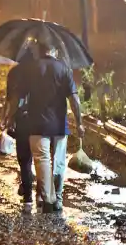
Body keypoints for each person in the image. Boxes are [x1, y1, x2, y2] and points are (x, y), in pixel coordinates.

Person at [15, 40, 83, 213]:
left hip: (37, 124)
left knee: (42, 161)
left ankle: (48, 199)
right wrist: (79, 123)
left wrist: (12, 117)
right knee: (59, 162)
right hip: (60, 124)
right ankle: (58, 198)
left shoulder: (31, 69)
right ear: (55, 50)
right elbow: (74, 100)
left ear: (39, 49)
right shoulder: (64, 68)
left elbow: (20, 98)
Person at [2, 47, 36, 208]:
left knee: (24, 158)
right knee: (41, 157)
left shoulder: (14, 73)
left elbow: (10, 99)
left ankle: (28, 194)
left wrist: (6, 118)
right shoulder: (41, 71)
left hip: (22, 118)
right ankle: (42, 194)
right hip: (41, 119)